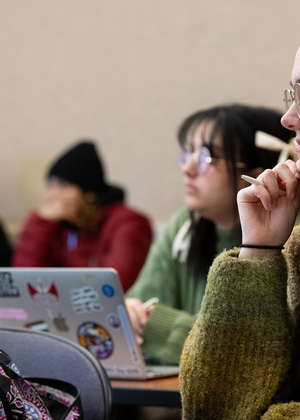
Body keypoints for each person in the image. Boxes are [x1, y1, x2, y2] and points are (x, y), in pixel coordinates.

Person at [179, 47, 300, 420]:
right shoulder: (293, 244)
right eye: (293, 94)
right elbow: (209, 408)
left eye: (204, 158)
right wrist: (257, 252)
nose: (288, 117)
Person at [125, 104, 297, 366]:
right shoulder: (186, 224)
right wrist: (133, 314)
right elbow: (135, 306)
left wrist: (154, 324)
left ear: (258, 176)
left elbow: (253, 354)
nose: (188, 169)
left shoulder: (292, 234)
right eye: (188, 154)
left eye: (206, 158)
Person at [12, 141, 152, 292]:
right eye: (50, 185)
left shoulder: (129, 223)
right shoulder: (57, 226)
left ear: (88, 193)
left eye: (63, 185)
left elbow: (111, 288)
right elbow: (24, 285)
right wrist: (39, 224)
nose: (53, 195)